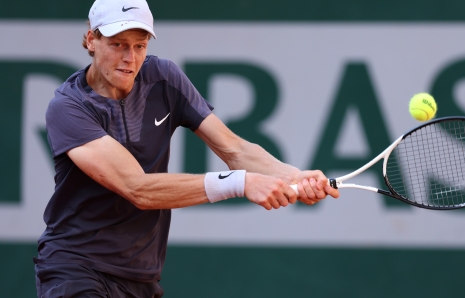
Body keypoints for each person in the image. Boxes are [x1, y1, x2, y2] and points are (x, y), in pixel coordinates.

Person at [34, 0, 339, 297]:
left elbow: (235, 149)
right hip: (75, 267)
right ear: (91, 40)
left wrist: (295, 177)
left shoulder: (164, 78)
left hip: (141, 275)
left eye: (140, 45)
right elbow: (137, 188)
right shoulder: (68, 108)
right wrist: (240, 183)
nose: (130, 57)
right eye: (118, 44)